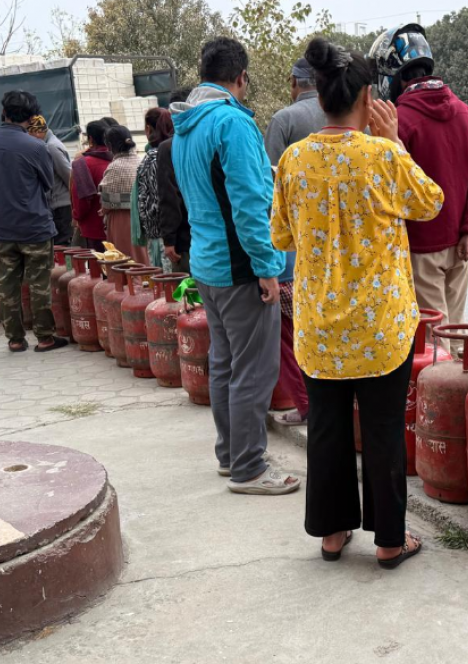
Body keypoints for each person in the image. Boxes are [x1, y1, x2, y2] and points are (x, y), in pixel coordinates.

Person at [271, 37, 444, 567]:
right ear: (369, 97)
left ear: (320, 96)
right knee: (385, 430)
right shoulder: (383, 157)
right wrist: (393, 143)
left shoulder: (294, 161)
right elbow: (430, 203)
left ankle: (331, 533)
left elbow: (281, 236)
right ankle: (391, 541)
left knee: (326, 430)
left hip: (320, 324)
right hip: (381, 327)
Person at [171, 37, 299, 494]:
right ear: (241, 77)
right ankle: (249, 468)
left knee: (225, 365)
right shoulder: (232, 124)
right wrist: (267, 266)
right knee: (254, 370)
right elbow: (250, 203)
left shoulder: (185, 126)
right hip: (242, 268)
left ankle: (231, 455)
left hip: (208, 265)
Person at [369, 24, 468, 352]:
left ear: (394, 73)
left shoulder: (397, 120)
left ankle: (445, 403)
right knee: (456, 335)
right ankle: (460, 396)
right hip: (460, 245)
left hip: (420, 248)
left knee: (434, 345)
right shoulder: (467, 113)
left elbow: (389, 183)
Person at [0, 90, 67, 353]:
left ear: (4, 112)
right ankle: (45, 338)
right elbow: (48, 185)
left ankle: (15, 339)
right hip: (35, 226)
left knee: (7, 285)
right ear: (32, 117)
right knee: (39, 284)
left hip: (3, 226)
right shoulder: (37, 146)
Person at [264, 57, 325, 427]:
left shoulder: (284, 120)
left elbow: (269, 191)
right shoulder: (345, 117)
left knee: (288, 338)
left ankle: (307, 407)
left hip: (291, 254)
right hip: (335, 251)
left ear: (294, 82)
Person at [100, 126, 149, 264]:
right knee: (142, 256)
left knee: (122, 258)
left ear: (109, 146)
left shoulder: (114, 167)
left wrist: (104, 209)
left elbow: (106, 200)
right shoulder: (141, 162)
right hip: (142, 216)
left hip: (121, 219)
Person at [134, 108, 175, 269]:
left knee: (166, 284)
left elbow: (159, 198)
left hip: (161, 235)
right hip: (171, 232)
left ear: (149, 129)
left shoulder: (154, 157)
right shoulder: (175, 150)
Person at [158, 89, 192, 274]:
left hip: (184, 239)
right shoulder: (208, 139)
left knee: (188, 295)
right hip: (214, 239)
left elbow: (169, 196)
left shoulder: (169, 148)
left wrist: (169, 239)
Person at [28, 115, 73, 245]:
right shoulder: (49, 144)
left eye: (30, 134)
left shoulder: (51, 147)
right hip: (58, 205)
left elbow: (68, 176)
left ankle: (66, 266)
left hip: (61, 206)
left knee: (62, 244)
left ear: (37, 132)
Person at [71, 120, 113, 250]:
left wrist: (76, 217)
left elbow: (82, 201)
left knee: (97, 266)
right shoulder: (118, 158)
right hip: (118, 227)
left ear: (90, 139)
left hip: (93, 227)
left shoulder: (82, 163)